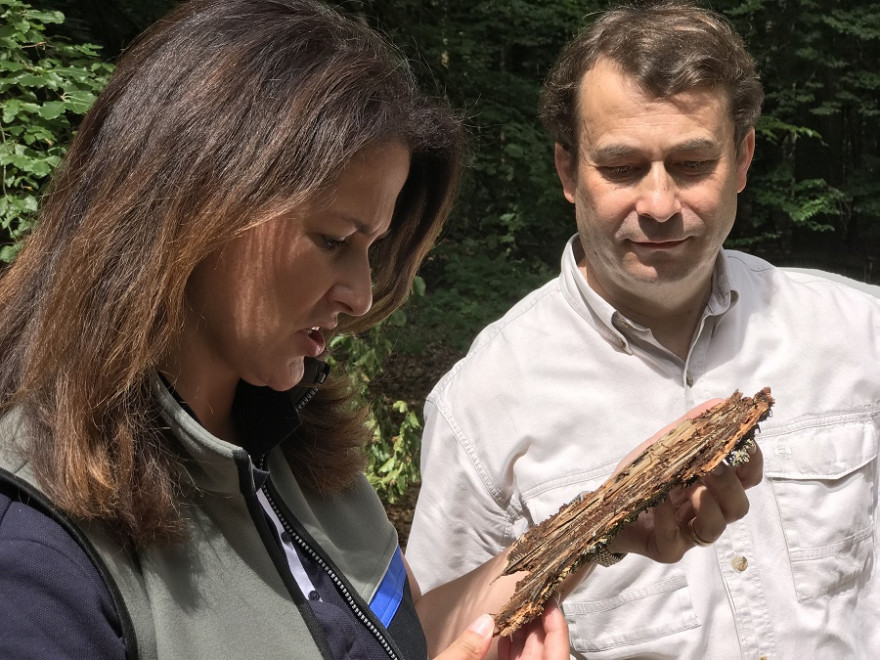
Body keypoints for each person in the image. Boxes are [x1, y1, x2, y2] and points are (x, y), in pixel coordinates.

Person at [0, 1, 573, 658]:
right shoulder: (34, 557)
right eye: (333, 239)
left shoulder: (296, 445)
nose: (360, 295)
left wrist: (609, 518)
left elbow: (384, 635)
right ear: (192, 209)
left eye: (373, 247)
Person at [407, 1, 880, 658]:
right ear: (568, 171)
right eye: (623, 167)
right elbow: (434, 638)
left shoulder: (859, 334)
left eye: (691, 164)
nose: (659, 205)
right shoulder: (481, 405)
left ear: (742, 159)